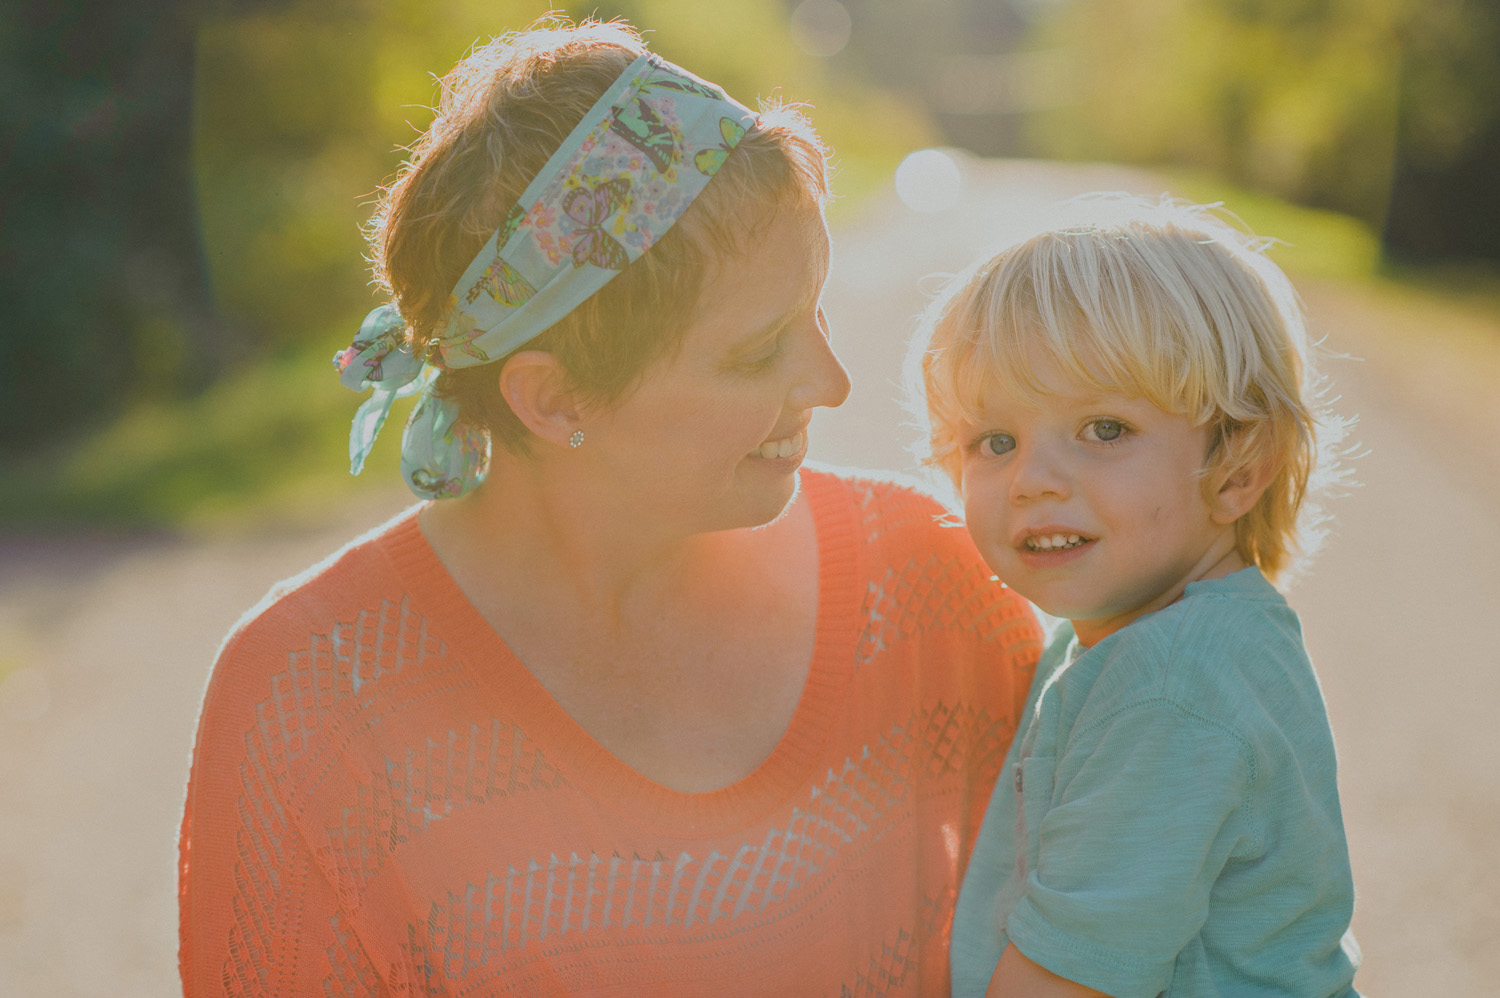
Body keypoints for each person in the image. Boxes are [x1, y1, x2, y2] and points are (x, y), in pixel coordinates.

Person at [176, 18, 1041, 996]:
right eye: (757, 351)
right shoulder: (311, 701)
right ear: (552, 398)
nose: (833, 381)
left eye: (815, 309)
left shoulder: (933, 591)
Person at [908, 195, 1361, 997]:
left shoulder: (1168, 684)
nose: (1033, 481)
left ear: (1237, 469)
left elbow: (1066, 981)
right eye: (996, 441)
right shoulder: (1169, 638)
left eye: (1104, 429)